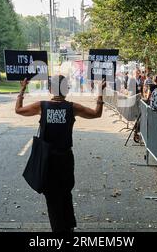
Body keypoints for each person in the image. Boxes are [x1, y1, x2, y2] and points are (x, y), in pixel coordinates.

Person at [15, 75, 106, 233]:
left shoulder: (42, 106)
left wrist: (22, 89)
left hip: (47, 160)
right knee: (65, 192)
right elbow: (97, 113)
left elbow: (19, 110)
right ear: (66, 89)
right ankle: (69, 226)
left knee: (52, 197)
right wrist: (99, 93)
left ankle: (59, 231)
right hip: (65, 159)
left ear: (50, 89)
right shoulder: (72, 108)